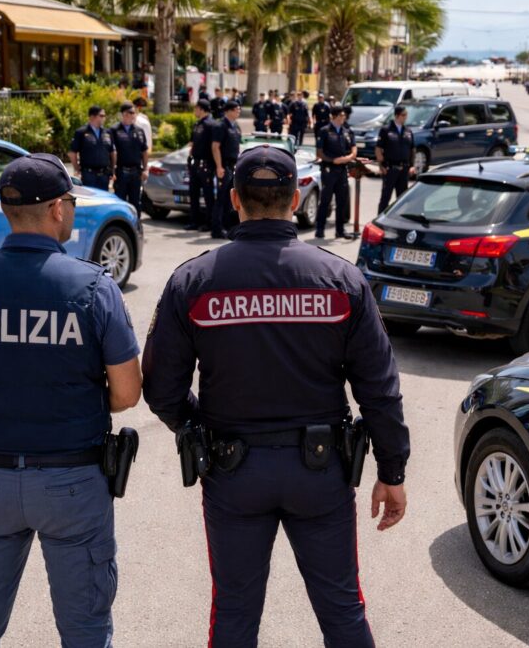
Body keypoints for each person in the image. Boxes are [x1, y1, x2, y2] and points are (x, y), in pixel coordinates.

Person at [141, 144, 409, 648]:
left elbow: (160, 389)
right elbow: (380, 389)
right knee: (343, 611)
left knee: (234, 616)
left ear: (234, 199)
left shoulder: (193, 281)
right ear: (295, 198)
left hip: (232, 469)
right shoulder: (341, 280)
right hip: (320, 471)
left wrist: (199, 428)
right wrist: (392, 471)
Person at [0, 153, 142, 648]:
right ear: (56, 211)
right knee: (86, 631)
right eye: (69, 201)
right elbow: (128, 392)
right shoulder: (93, 286)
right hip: (73, 483)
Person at [315, 105, 356, 239]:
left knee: (342, 201)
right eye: (341, 116)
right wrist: (333, 161)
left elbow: (353, 148)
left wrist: (349, 158)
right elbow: (319, 153)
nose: (344, 118)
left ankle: (340, 230)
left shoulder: (346, 131)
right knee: (325, 200)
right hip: (329, 169)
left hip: (342, 170)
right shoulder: (324, 131)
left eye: (344, 116)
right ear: (334, 116)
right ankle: (320, 229)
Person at [109, 102, 149, 216]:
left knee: (135, 202)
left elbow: (144, 151)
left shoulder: (139, 131)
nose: (134, 115)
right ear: (124, 114)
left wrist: (145, 169)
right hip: (121, 172)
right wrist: (112, 172)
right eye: (131, 112)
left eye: (134, 113)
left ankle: (136, 227)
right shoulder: (114, 130)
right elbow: (110, 153)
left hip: (136, 173)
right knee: (120, 202)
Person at [375, 105, 415, 214]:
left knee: (402, 199)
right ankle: (379, 223)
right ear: (397, 115)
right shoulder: (386, 130)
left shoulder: (408, 131)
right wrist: (381, 166)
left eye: (406, 115)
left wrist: (412, 165)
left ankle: (399, 222)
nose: (406, 117)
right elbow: (378, 149)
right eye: (403, 115)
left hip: (404, 169)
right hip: (390, 168)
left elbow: (412, 149)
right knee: (385, 197)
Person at [211, 100, 242, 239]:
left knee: (229, 199)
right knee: (221, 199)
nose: (238, 111)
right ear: (228, 111)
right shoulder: (221, 126)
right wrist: (219, 166)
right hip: (223, 166)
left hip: (233, 166)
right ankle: (216, 229)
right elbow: (215, 147)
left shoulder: (235, 126)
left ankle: (226, 226)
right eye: (236, 109)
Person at [67, 106, 113, 191]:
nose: (104, 118)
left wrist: (112, 170)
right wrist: (77, 169)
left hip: (104, 175)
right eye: (101, 116)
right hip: (88, 174)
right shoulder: (81, 132)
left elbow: (112, 152)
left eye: (104, 116)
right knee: (90, 200)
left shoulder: (107, 132)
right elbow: (72, 153)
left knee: (103, 201)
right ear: (92, 117)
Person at [186, 99, 216, 231]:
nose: (194, 111)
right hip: (195, 163)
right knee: (194, 193)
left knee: (208, 195)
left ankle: (209, 222)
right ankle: (194, 221)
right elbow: (192, 143)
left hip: (207, 164)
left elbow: (215, 146)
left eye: (196, 108)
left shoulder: (211, 125)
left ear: (202, 109)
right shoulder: (197, 124)